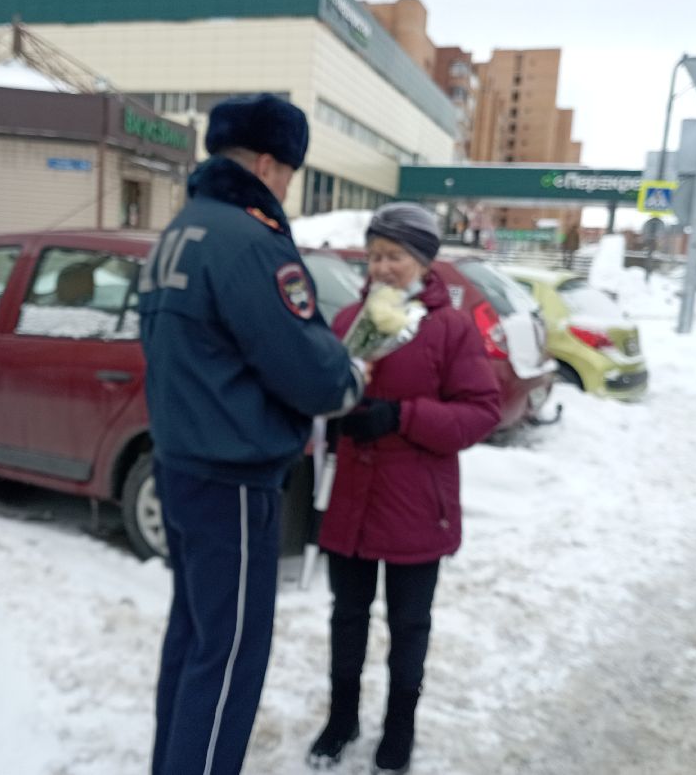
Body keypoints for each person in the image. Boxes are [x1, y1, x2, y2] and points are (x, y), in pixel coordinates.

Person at [139, 92, 366, 775]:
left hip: (180, 462)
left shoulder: (180, 229)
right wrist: (350, 375)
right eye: (291, 173)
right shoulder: (251, 241)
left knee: (194, 640)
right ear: (269, 163)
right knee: (231, 655)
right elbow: (308, 367)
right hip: (233, 476)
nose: (289, 187)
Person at [307, 203, 502, 774]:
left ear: (422, 261)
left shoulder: (451, 328)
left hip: (417, 504)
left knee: (409, 625)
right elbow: (322, 387)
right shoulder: (348, 321)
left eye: (393, 256)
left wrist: (401, 417)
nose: (381, 268)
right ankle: (342, 719)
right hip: (351, 500)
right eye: (373, 256)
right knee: (347, 615)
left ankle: (400, 731)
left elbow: (480, 412)